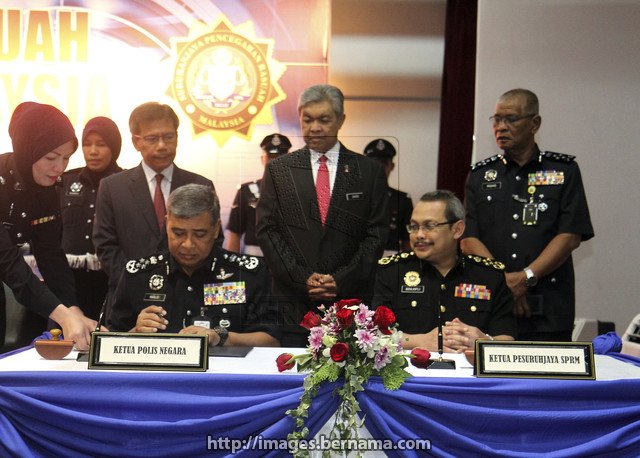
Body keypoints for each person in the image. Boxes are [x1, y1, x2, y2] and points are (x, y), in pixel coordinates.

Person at [256, 84, 389, 347]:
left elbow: (376, 235)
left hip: (350, 305)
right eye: (307, 120)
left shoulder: (369, 171)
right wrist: (301, 277)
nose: (314, 127)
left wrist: (341, 280)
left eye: (324, 120)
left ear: (341, 120)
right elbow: (267, 231)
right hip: (294, 306)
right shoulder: (279, 170)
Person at [461, 88, 594, 342]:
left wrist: (526, 277)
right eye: (497, 119)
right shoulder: (480, 175)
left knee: (548, 367)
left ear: (535, 123)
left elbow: (570, 236)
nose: (501, 127)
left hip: (549, 305)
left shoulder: (563, 171)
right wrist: (504, 282)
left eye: (510, 119)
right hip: (492, 303)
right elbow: (468, 239)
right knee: (487, 365)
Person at [108, 184, 280, 347]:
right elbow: (109, 341)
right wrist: (136, 332)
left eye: (199, 234)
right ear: (167, 225)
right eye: (178, 233)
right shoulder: (138, 274)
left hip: (225, 369)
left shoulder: (248, 273)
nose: (188, 244)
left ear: (216, 229)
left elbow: (272, 340)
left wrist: (220, 337)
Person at [93, 102, 215, 323]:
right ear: (136, 141)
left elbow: (212, 241)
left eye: (169, 137)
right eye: (152, 139)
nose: (162, 146)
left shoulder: (200, 185)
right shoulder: (112, 187)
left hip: (188, 300)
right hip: (127, 301)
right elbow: (105, 246)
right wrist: (137, 284)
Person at [0, 102, 97, 350]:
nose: (60, 168)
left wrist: (73, 310)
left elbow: (51, 255)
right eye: (51, 157)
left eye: (66, 158)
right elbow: (8, 262)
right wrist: (63, 316)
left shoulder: (46, 190)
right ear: (27, 150)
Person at [372, 190, 516, 352]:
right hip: (413, 367)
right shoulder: (392, 272)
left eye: (429, 226)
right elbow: (376, 335)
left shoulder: (489, 275)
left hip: (470, 368)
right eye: (414, 226)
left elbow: (508, 337)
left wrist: (483, 341)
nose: (419, 234)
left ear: (457, 229)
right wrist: (419, 341)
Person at [59, 117, 123, 321]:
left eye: (101, 144)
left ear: (114, 147)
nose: (93, 151)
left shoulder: (126, 184)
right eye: (87, 144)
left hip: (113, 279)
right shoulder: (65, 181)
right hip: (70, 282)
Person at [225, 133, 292, 255]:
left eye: (280, 157)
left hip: (288, 256)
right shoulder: (246, 191)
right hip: (254, 255)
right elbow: (235, 232)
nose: (275, 162)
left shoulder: (298, 191)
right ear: (263, 159)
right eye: (270, 157)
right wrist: (231, 263)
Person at [363, 138, 413, 255]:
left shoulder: (402, 200)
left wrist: (408, 263)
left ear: (392, 166)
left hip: (391, 257)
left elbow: (407, 240)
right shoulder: (352, 197)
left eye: (384, 163)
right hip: (360, 258)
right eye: (375, 163)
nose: (379, 168)